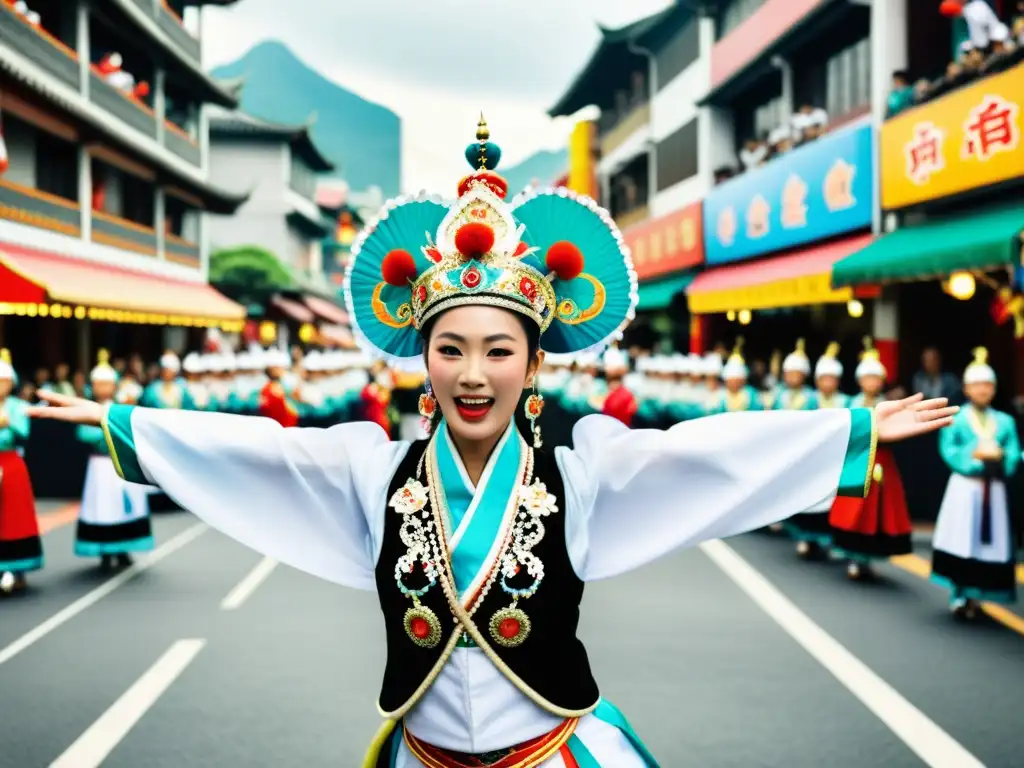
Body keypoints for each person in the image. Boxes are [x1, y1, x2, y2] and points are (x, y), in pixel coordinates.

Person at [29, 121, 956, 765]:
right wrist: (130, 424)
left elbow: (706, 455)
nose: (473, 373)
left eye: (498, 350)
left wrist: (854, 425)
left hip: (553, 756)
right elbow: (263, 456)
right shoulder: (371, 470)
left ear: (532, 363)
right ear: (421, 359)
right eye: (451, 349)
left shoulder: (586, 472)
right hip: (424, 756)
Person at [931, 348, 1020, 619]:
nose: (983, 390)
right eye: (977, 385)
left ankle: (980, 592)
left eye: (988, 385)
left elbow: (1014, 451)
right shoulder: (956, 418)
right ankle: (959, 591)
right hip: (965, 486)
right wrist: (975, 462)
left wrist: (1002, 459)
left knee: (991, 542)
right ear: (967, 389)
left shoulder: (1005, 421)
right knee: (961, 536)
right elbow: (949, 449)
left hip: (993, 489)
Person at [829, 340, 912, 580]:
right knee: (852, 507)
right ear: (859, 381)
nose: (871, 383)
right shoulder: (849, 403)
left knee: (877, 510)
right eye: (867, 378)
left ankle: (866, 556)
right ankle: (852, 553)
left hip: (882, 462)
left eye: (876, 378)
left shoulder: (889, 405)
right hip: (857, 459)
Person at [74, 350, 154, 570]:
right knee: (102, 505)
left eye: (107, 384)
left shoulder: (120, 407)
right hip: (100, 464)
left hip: (119, 461)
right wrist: (107, 430)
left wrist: (105, 428)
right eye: (99, 384)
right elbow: (82, 433)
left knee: (124, 505)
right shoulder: (87, 406)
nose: (103, 388)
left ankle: (124, 548)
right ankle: (105, 550)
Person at [0, 349, 42, 594]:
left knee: (14, 515)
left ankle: (18, 567)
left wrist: (9, 422)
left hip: (12, 463)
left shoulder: (17, 406)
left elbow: (24, 432)